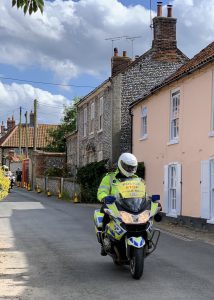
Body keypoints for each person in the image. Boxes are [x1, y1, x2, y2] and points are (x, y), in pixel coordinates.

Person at [97, 152, 146, 255]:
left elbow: (143, 194)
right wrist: (104, 198)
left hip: (132, 207)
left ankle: (146, 241)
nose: (129, 170)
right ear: (121, 164)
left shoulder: (136, 179)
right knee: (105, 218)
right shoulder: (109, 178)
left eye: (132, 167)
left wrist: (147, 200)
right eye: (127, 167)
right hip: (114, 206)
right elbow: (101, 192)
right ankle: (104, 241)